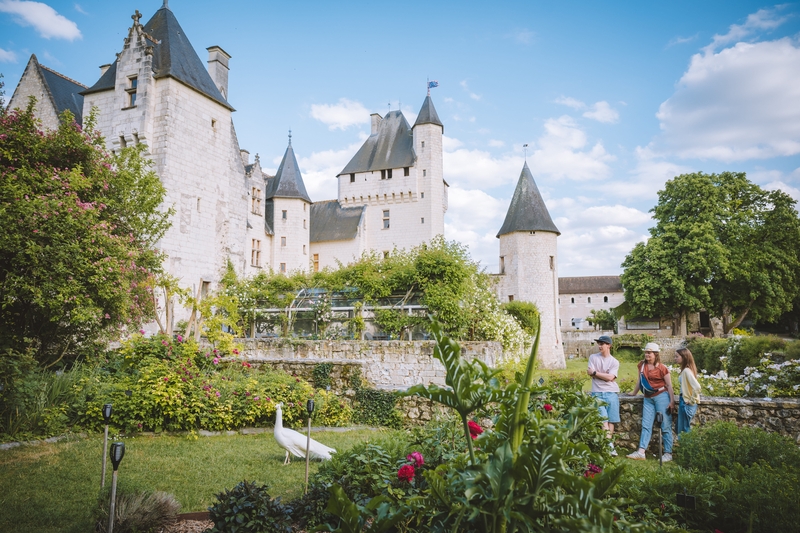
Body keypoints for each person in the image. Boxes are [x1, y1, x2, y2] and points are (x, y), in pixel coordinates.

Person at [626, 342, 675, 462]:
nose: (647, 354)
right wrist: (634, 393)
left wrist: (672, 401)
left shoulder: (662, 368)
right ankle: (641, 452)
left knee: (665, 424)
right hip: (647, 398)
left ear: (656, 354)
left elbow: (669, 385)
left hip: (661, 396)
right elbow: (640, 380)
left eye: (650, 352)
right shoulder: (642, 365)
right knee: (646, 424)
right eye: (646, 352)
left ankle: (668, 453)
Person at [587, 335, 620, 457]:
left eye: (602, 344)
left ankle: (608, 446)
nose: (600, 346)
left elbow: (611, 377)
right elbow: (590, 373)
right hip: (597, 393)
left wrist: (596, 373)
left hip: (611, 393)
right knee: (603, 420)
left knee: (611, 421)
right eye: (599, 343)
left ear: (609, 345)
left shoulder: (614, 362)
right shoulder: (593, 357)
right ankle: (610, 447)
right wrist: (601, 375)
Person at [675, 347, 701, 437]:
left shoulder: (686, 371)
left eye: (677, 356)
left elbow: (697, 387)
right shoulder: (686, 370)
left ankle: (686, 450)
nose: (675, 358)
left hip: (686, 403)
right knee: (681, 430)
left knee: (684, 431)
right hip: (684, 401)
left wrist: (691, 401)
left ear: (684, 357)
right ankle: (684, 450)